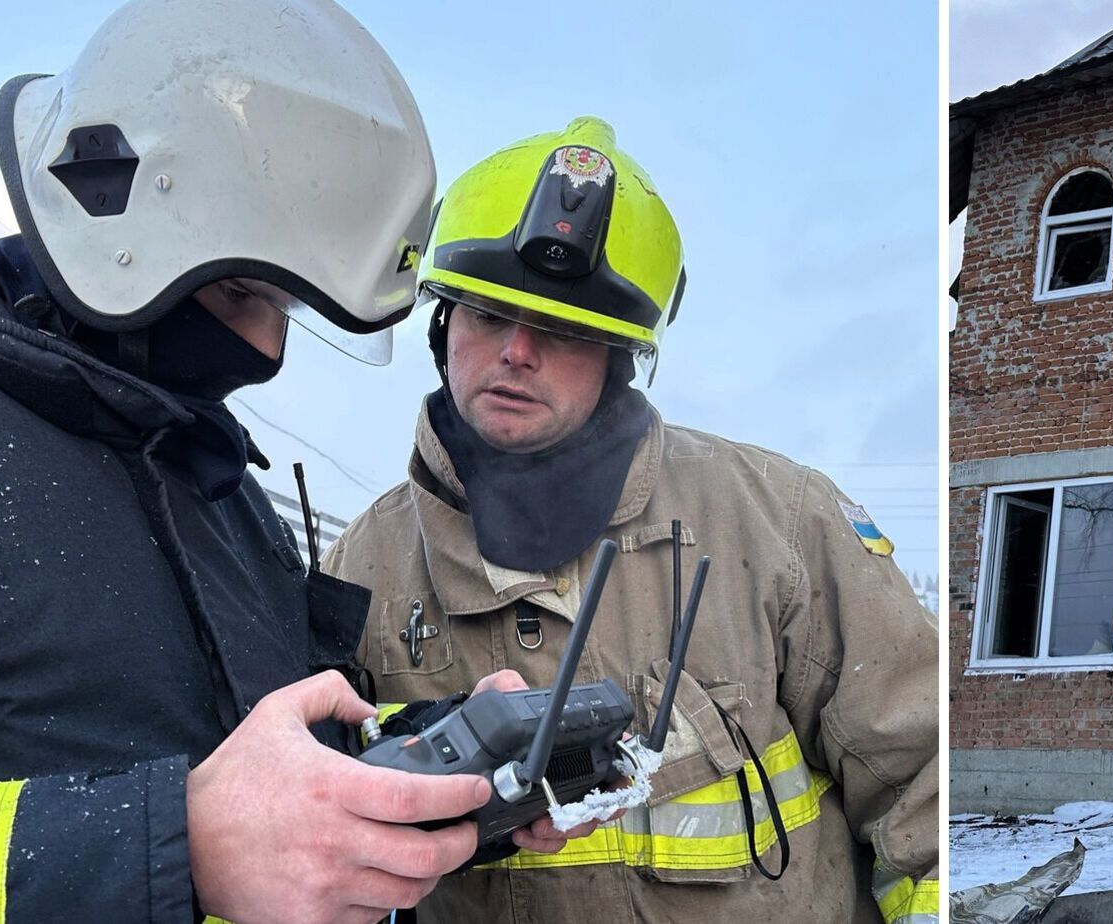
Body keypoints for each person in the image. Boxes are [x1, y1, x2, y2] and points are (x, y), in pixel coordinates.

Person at [0, 2, 570, 919]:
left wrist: (427, 759)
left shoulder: (217, 487)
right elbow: (220, 828)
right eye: (248, 291)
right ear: (114, 205)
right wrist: (179, 846)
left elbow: (270, 772)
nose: (268, 351)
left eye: (285, 310)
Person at [321, 116, 941, 924]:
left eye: (562, 330)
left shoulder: (780, 523)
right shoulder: (360, 573)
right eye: (486, 312)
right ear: (442, 324)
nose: (515, 351)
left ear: (618, 357)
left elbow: (925, 785)